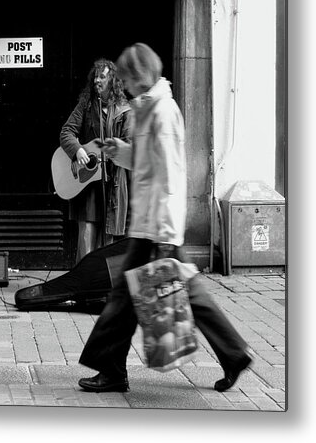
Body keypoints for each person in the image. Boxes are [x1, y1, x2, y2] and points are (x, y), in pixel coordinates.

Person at [78, 43, 252, 393]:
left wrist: (165, 235)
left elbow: (170, 175)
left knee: (135, 296)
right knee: (163, 292)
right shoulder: (150, 108)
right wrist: (121, 152)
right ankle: (233, 353)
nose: (123, 85)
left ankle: (112, 369)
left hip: (158, 227)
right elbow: (149, 162)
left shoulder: (162, 112)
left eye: (126, 78)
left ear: (140, 77)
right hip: (152, 224)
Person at [60, 59, 132, 262]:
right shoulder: (86, 105)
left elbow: (130, 148)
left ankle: (101, 287)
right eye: (95, 77)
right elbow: (67, 132)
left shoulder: (125, 111)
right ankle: (83, 284)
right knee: (87, 236)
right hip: (88, 185)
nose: (97, 81)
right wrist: (78, 150)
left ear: (113, 81)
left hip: (114, 184)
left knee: (109, 239)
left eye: (103, 77)